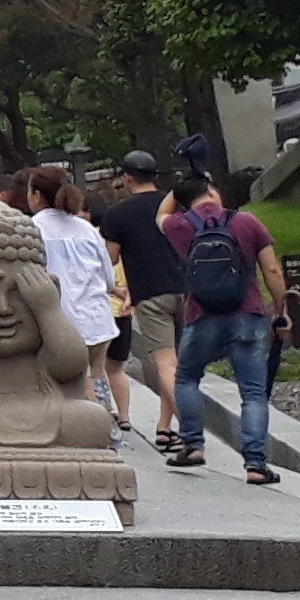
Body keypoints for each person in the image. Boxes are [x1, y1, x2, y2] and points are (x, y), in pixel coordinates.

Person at [159, 170, 284, 484]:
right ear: (212, 191)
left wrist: (181, 186)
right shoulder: (247, 222)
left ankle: (192, 445)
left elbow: (161, 213)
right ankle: (255, 464)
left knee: (186, 377)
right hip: (248, 315)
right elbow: (272, 270)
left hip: (201, 316)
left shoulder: (179, 225)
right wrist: (280, 311)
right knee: (254, 393)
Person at [89, 152, 184, 450]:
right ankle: (164, 427)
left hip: (151, 292)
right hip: (189, 289)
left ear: (127, 177)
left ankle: (192, 430)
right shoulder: (176, 204)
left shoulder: (119, 214)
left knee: (165, 364)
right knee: (178, 363)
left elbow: (111, 258)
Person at [23, 167, 126, 415]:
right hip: (96, 316)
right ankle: (105, 426)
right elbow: (108, 275)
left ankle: (84, 428)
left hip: (56, 319)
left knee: (65, 382)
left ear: (36, 195)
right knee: (96, 374)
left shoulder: (29, 229)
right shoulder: (86, 229)